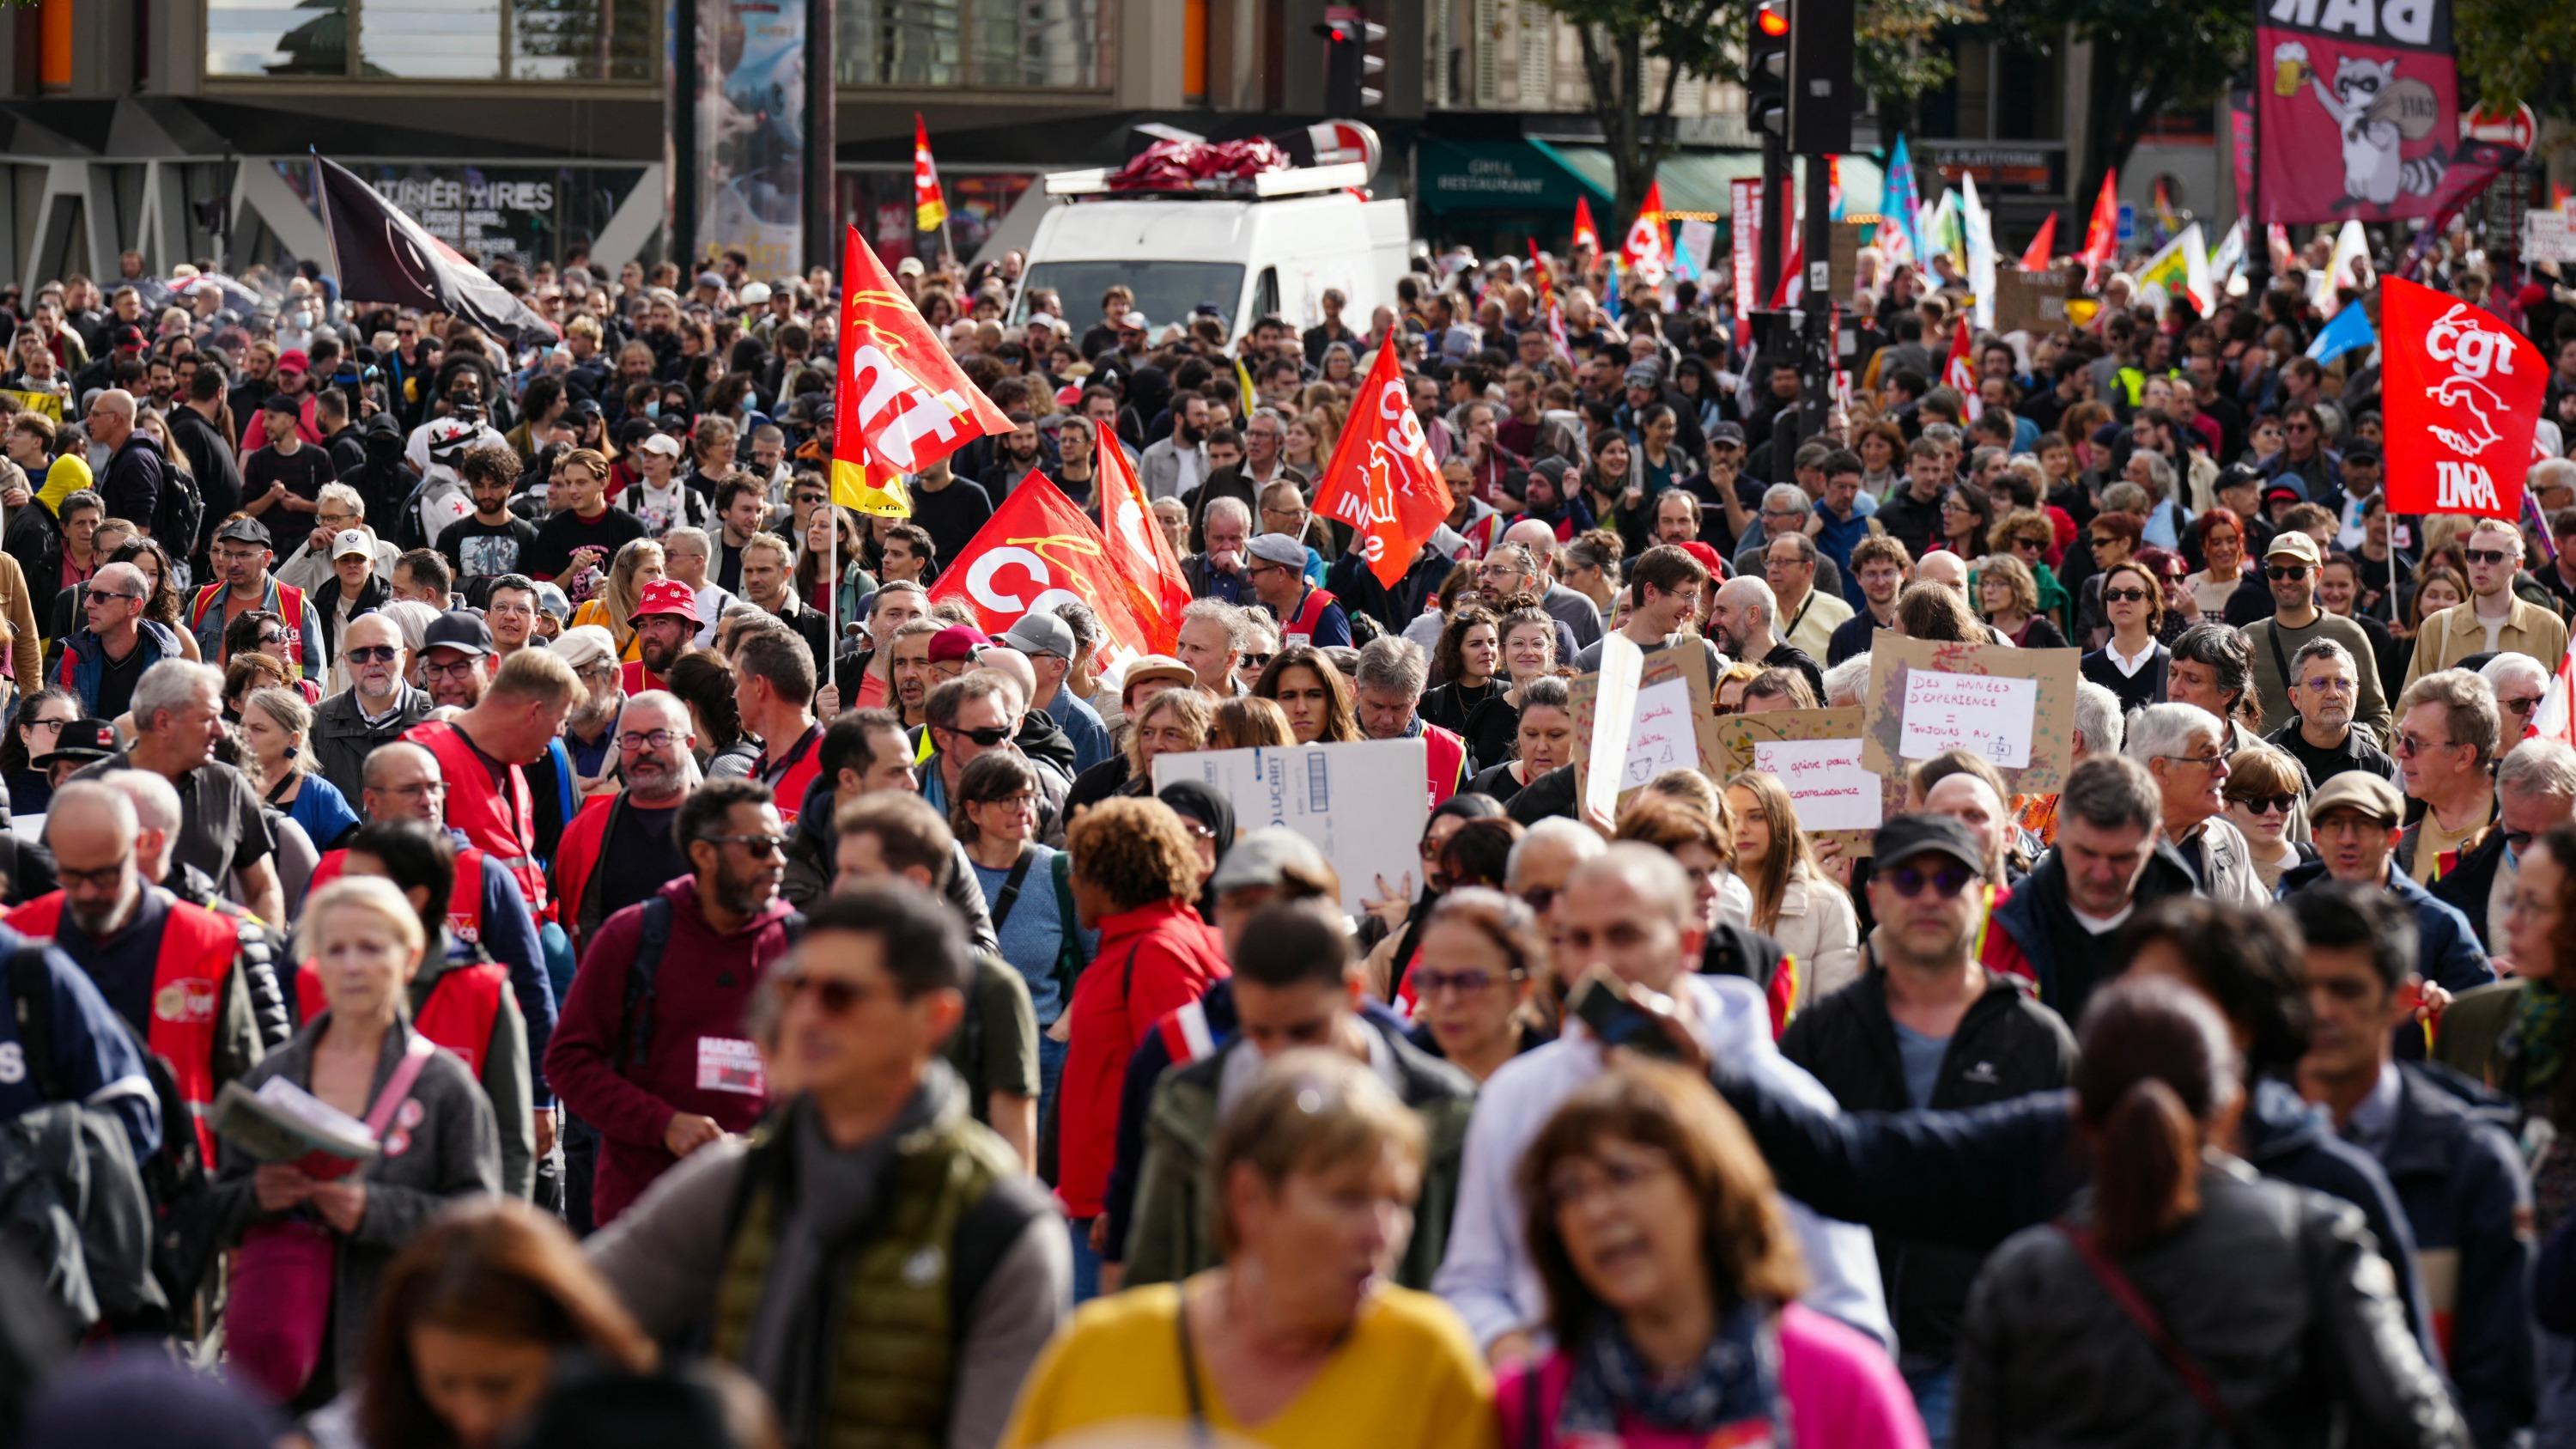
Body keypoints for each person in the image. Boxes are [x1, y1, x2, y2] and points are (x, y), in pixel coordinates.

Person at [590, 885, 1068, 1449]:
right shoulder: (738, 1179)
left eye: (841, 995)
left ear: (934, 1018)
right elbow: (561, 1309)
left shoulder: (1001, 1225)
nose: (805, 1016)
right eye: (794, 987)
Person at [1952, 975, 2466, 1448]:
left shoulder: (2019, 1277)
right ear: (2231, 1108)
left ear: (2082, 1117)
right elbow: (2422, 1428)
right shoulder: (2316, 1239)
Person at [1436, 843, 1892, 1361]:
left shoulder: (1783, 1100)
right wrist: (1516, 1353)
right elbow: (1472, 1282)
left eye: (1624, 935)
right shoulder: (1514, 1097)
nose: (1598, 961)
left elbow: (1849, 1314)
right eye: (1578, 940)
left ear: (1688, 942)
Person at [1001, 1050, 1493, 1449]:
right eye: (1348, 1197)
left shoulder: (1431, 1361)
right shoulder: (1101, 1352)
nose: (1383, 1232)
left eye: (1397, 1201)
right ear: (1249, 1197)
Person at [1782, 813, 2075, 1440]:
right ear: (1875, 894)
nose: (1929, 896)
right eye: (1909, 879)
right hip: (1847, 1336)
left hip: (1982, 1344)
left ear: (1982, 894)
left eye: (1950, 879)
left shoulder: (2035, 1039)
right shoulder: (1822, 1035)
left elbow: (2072, 1202)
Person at [1498, 1062, 1929, 1449]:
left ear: (1707, 1187)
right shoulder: (1525, 1403)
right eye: (1570, 1190)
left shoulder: (1840, 1382)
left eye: (1622, 1175)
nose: (1595, 1211)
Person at [210, 877, 502, 1409]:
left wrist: (375, 1210)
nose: (351, 965)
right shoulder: (272, 1080)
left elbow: (478, 1225)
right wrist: (258, 1194)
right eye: (335, 949)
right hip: (286, 1350)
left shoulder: (444, 1087)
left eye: (370, 948)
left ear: (409, 959)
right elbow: (217, 1207)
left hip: (400, 1353)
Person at [2288, 883, 2534, 1446]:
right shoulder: (2240, 1155)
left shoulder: (2474, 1163)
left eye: (2346, 989)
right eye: (2305, 988)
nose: (2322, 1011)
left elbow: (2500, 1382)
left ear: (2400, 999)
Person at [1127, 900, 1477, 1290]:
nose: (1282, 1054)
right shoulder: (1189, 1102)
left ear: (1353, 992)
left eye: (1304, 1031)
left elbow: (1472, 1279)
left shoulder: (1447, 1109)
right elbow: (1151, 1275)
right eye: (1260, 1032)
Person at [544, 777, 799, 1226]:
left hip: (763, 1214)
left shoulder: (801, 945)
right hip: (644, 1210)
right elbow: (567, 1063)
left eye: (780, 844)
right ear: (704, 854)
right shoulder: (632, 936)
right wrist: (663, 1125)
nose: (777, 860)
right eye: (758, 846)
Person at [1057, 797, 1230, 1297]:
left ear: (1112, 875)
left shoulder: (1157, 953)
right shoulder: (1154, 943)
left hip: (1121, 1220)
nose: (1072, 884)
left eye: (1079, 869)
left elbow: (1184, 1092)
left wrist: (1131, 1201)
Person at [340, 1198, 658, 1449]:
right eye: (445, 1384)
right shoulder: (373, 1423)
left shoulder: (660, 1429)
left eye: (499, 1386)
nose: (473, 1418)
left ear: (568, 1343)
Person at [829, 792, 1041, 1163]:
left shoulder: (992, 989)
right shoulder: (830, 982)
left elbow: (1015, 1153)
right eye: (840, 871)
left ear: (916, 881)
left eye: (856, 873)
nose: (839, 890)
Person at [1984, 756, 2197, 1025]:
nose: (2101, 874)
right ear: (2059, 828)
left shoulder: (2194, 937)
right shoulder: (2003, 924)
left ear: (2154, 837)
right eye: (2086, 853)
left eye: (2122, 857)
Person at [70, 659, 285, 923]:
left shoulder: (228, 785)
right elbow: (55, 897)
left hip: (210, 956)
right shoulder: (87, 791)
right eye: (208, 719)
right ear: (163, 722)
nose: (222, 732)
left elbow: (264, 887)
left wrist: (263, 952)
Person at [2276, 771, 2494, 999]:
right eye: (2334, 825)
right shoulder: (2286, 919)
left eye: (2363, 825)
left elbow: (2484, 1018)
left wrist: (2448, 1014)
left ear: (2393, 838)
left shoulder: (2437, 925)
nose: (2348, 839)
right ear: (2317, 838)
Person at [404, 648, 584, 918]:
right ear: (533, 713)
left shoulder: (515, 763)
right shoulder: (422, 755)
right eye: (561, 721)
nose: (561, 733)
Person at [550, 691, 702, 953]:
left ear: (689, 744)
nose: (644, 748)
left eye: (659, 736)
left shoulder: (727, 826)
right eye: (631, 739)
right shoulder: (585, 831)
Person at [1723, 771, 1860, 1007]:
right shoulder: (1706, 904)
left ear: (1780, 821)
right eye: (1731, 818)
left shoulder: (1826, 905)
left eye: (1756, 817)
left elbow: (1834, 1014)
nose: (1741, 828)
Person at [2126, 702, 2267, 905]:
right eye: (2208, 758)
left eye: (2223, 756)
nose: (2224, 771)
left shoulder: (2227, 838)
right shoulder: (2109, 845)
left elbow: (2258, 926)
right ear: (2161, 769)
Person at [1407, 886, 1551, 1083]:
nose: (1448, 1000)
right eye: (1433, 980)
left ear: (1522, 987)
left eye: (1469, 982)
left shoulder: (1563, 1090)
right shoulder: (1393, 1083)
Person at [2404, 516, 2568, 688]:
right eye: (2473, 555)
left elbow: (2565, 705)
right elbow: (2411, 706)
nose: (2481, 564)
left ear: (2518, 564)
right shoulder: (2436, 626)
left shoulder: (2549, 626)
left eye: (2493, 556)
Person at [309, 611, 434, 806]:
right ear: (346, 662)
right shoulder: (316, 722)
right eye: (360, 654)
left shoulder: (438, 716)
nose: (373, 661)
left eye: (385, 651)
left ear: (403, 656)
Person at [2394, 668, 2501, 886]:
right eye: (2400, 737)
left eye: (2414, 743)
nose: (2400, 752)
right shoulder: (2394, 820)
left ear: (2464, 756)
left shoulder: (2521, 826)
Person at [189, 516, 325, 679]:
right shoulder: (202, 600)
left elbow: (316, 682)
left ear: (267, 559)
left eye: (243, 555)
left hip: (276, 704)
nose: (233, 563)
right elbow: (183, 669)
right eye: (227, 554)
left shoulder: (297, 604)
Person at [52, 559, 185, 721]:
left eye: (100, 596)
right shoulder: (75, 657)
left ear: (134, 605)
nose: (87, 604)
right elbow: (50, 722)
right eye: (89, 594)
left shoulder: (167, 663)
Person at [1572, 545, 1721, 685]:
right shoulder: (1591, 662)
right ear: (1650, 592)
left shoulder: (1701, 654)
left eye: (1696, 598)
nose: (1692, 608)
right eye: (1687, 595)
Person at [2266, 636, 2398, 788]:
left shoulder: (2379, 768)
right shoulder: (2264, 757)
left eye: (2343, 683)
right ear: (2295, 697)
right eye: (2319, 683)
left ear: (2356, 693)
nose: (2334, 693)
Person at [732, 625, 824, 823]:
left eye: (738, 683)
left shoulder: (833, 766)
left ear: (759, 686)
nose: (735, 694)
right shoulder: (759, 769)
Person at [1706, 577, 1825, 723]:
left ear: (1753, 615)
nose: (1712, 621)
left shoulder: (1803, 670)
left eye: (1722, 611)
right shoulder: (1728, 669)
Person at [2078, 560, 2171, 716]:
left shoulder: (2173, 665)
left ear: (2151, 604)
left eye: (2133, 594)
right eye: (2113, 594)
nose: (2122, 601)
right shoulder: (2084, 667)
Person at [1466, 675, 1575, 804]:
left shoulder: (1593, 797)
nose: (1541, 747)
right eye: (1531, 734)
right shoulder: (1485, 787)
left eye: (1555, 735)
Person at [1246, 532, 1352, 648]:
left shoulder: (1326, 614)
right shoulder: (1264, 611)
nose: (1248, 579)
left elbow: (1341, 666)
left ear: (1281, 573)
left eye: (1253, 572)